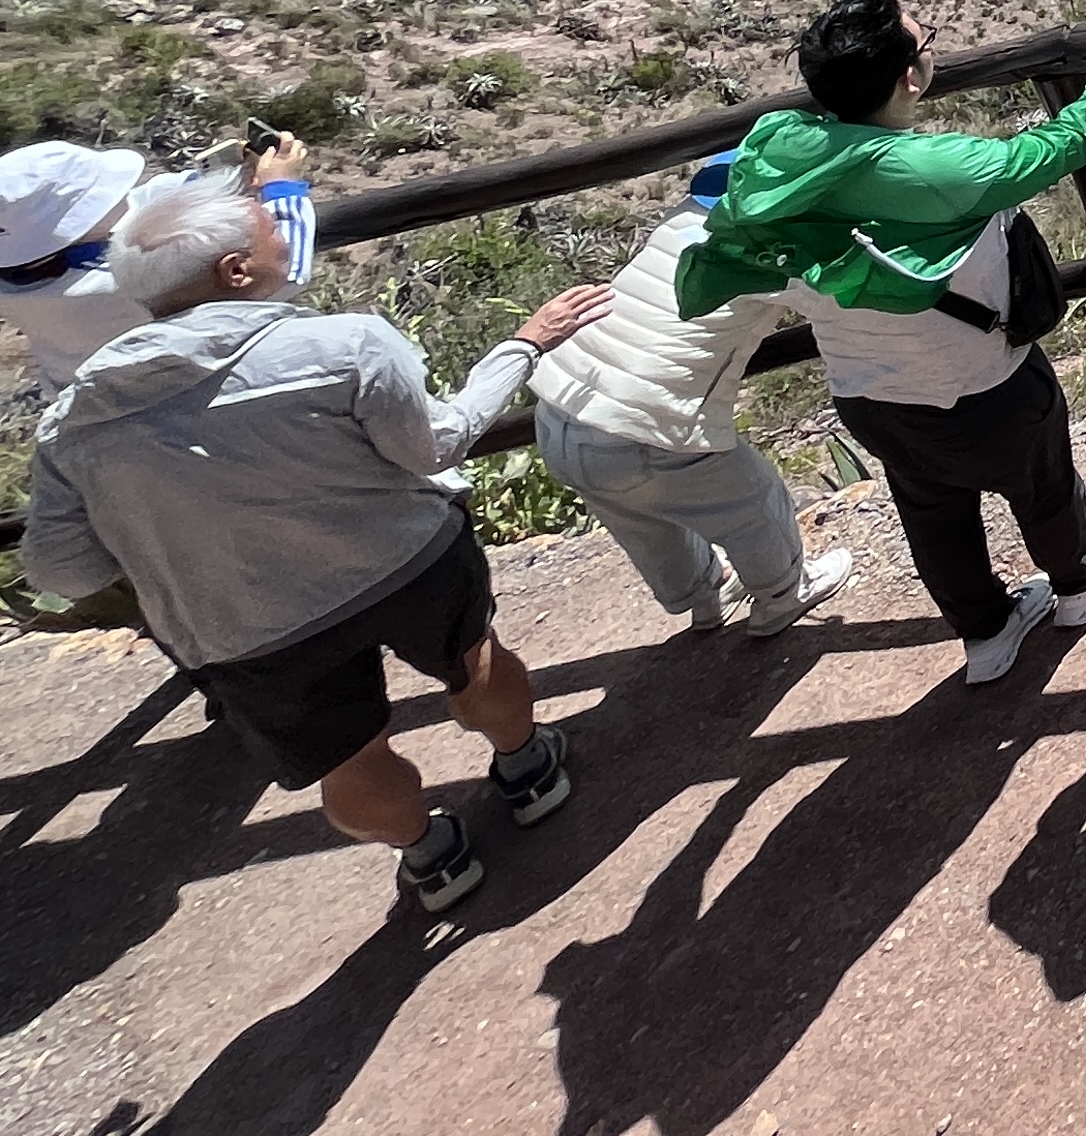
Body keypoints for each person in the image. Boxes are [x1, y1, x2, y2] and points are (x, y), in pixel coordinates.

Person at [20, 171, 612, 915]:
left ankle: (431, 856)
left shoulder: (74, 423)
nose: (284, 238)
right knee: (475, 663)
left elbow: (61, 570)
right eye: (271, 232)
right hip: (403, 561)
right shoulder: (343, 344)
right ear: (236, 272)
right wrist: (524, 346)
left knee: (346, 759)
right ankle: (528, 769)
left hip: (243, 627)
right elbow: (439, 446)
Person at [678, 0, 1086, 685]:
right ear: (910, 77)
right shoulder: (944, 169)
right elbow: (1067, 140)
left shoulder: (772, 158)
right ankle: (1078, 583)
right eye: (924, 39)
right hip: (984, 385)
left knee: (932, 512)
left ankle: (985, 633)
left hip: (867, 398)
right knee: (1044, 488)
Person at [526, 149, 853, 640]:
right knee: (754, 500)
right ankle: (783, 596)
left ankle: (704, 596)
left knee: (641, 519)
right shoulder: (771, 250)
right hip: (645, 422)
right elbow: (840, 303)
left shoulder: (677, 222)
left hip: (556, 410)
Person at [2, 133, 318, 395]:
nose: (123, 192)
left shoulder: (22, 275)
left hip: (88, 395)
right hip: (170, 398)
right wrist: (282, 190)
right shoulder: (114, 285)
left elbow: (141, 205)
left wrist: (221, 175)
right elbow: (281, 273)